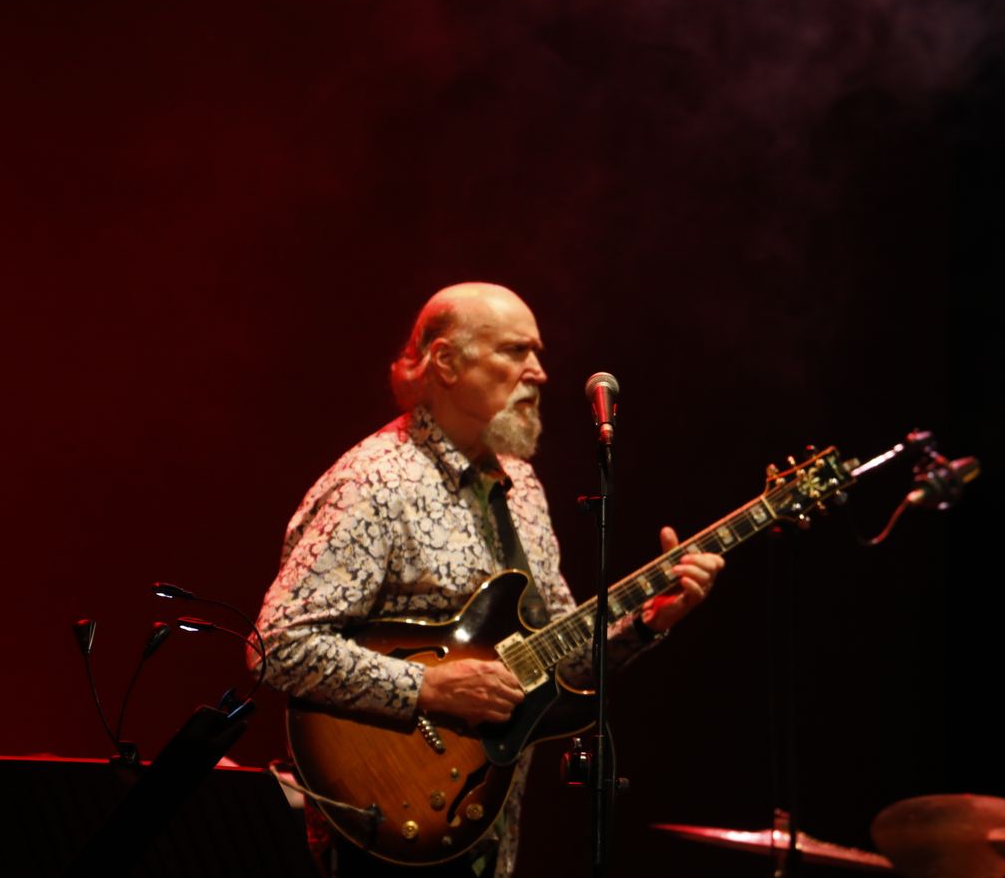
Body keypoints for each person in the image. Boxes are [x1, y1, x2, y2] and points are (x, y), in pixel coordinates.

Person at [251, 282, 724, 877]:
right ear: (446, 362)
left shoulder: (521, 487)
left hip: (482, 826)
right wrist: (429, 690)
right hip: (374, 821)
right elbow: (276, 647)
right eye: (515, 352)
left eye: (539, 354)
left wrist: (650, 621)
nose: (540, 373)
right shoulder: (375, 483)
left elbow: (558, 664)